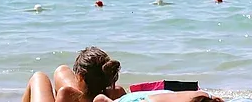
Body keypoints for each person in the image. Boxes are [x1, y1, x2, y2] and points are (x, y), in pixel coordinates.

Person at [24, 49, 219, 102]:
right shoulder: (116, 92)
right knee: (61, 70)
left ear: (80, 77)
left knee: (40, 76)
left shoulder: (67, 93)